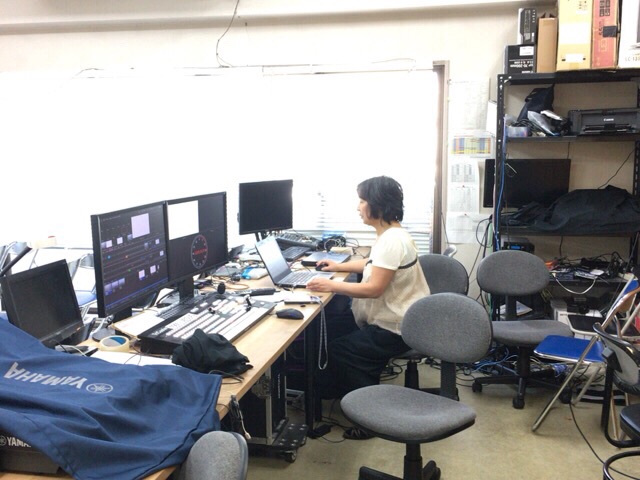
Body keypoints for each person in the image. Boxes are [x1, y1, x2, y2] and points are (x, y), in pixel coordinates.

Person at [306, 175, 430, 439]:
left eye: (362, 201)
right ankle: (337, 393)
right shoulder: (392, 234)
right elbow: (373, 264)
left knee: (341, 350)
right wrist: (338, 266)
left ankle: (372, 418)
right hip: (404, 320)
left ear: (378, 205)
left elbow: (374, 288)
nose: (358, 207)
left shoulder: (391, 240)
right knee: (334, 329)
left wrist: (331, 285)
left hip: (396, 328)